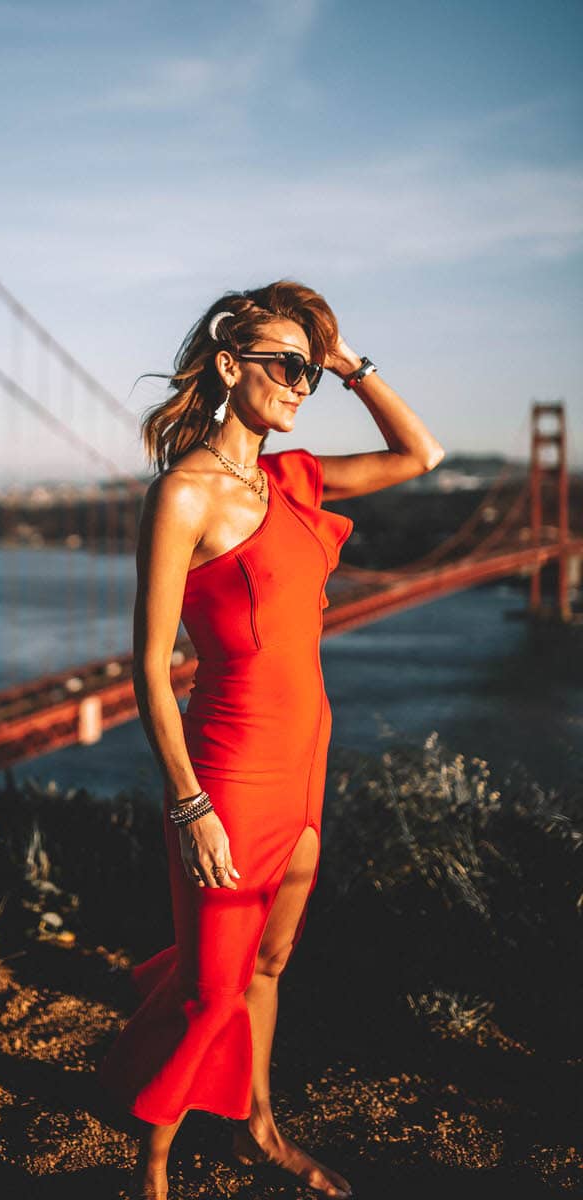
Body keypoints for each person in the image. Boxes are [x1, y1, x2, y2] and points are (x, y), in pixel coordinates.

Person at [97, 281, 445, 1200]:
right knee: (214, 990)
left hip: (305, 764)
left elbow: (423, 452)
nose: (301, 384)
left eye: (308, 370)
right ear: (227, 367)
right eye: (285, 366)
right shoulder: (183, 496)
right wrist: (191, 805)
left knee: (273, 960)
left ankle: (258, 1127)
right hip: (230, 771)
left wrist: (347, 363)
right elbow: (146, 669)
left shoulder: (293, 478)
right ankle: (153, 1171)